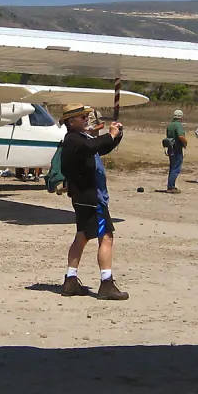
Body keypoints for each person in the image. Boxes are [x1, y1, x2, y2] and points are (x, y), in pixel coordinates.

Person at [58, 103, 128, 300]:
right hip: (90, 197)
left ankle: (70, 280)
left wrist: (116, 135)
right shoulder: (74, 139)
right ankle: (106, 283)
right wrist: (111, 134)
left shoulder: (78, 138)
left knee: (82, 236)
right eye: (82, 116)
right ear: (71, 121)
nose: (87, 118)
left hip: (83, 197)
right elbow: (93, 146)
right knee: (106, 236)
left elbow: (99, 148)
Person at [163, 109, 187, 192]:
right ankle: (171, 186)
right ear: (181, 117)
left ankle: (170, 185)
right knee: (176, 168)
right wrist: (185, 143)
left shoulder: (170, 125)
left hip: (170, 149)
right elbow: (181, 136)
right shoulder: (178, 125)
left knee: (172, 167)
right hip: (177, 149)